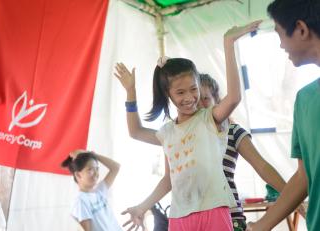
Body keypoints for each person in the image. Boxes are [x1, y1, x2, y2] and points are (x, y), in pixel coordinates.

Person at [115, 21, 262, 231]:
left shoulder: (209, 119)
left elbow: (234, 98)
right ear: (168, 94)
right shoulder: (168, 132)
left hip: (214, 209)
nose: (190, 97)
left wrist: (228, 44)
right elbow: (137, 134)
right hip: (179, 216)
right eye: (180, 92)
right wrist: (131, 92)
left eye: (194, 89)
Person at [246, 0, 320, 231]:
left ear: (300, 29)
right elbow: (304, 176)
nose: (281, 46)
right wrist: (261, 226)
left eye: (279, 34)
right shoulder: (305, 99)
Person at [199, 73, 286, 231]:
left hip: (229, 217)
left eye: (205, 98)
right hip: (194, 218)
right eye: (196, 99)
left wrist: (290, 196)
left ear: (217, 101)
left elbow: (262, 166)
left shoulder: (233, 131)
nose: (200, 105)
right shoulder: (185, 137)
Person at [61, 150, 122, 231]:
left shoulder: (100, 191)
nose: (96, 174)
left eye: (97, 169)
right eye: (90, 170)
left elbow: (116, 167)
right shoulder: (80, 201)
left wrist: (93, 154)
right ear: (78, 175)